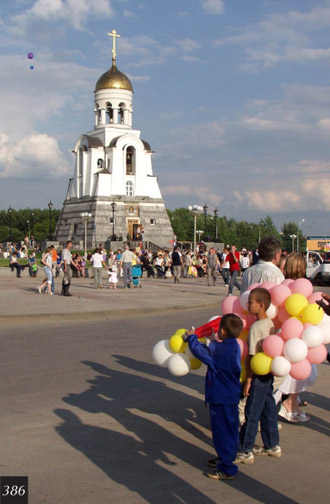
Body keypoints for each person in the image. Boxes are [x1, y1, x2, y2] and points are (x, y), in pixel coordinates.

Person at [183, 314, 243, 480]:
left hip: (220, 397)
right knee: (230, 429)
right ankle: (228, 456)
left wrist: (192, 337)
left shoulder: (219, 349)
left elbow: (202, 353)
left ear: (222, 331)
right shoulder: (234, 346)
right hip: (230, 396)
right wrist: (212, 340)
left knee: (221, 431)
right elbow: (215, 351)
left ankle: (227, 468)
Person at [237, 287, 281, 464]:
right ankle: (272, 445)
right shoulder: (270, 324)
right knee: (268, 409)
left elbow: (252, 356)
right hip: (268, 373)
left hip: (257, 375)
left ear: (261, 305)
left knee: (252, 412)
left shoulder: (256, 328)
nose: (248, 305)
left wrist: (248, 379)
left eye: (250, 303)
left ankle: (245, 450)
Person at [276, 253, 312, 422]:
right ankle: (289, 404)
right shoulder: (303, 286)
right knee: (297, 369)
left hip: (282, 333)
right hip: (298, 334)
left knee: (285, 371)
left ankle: (292, 403)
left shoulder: (283, 284)